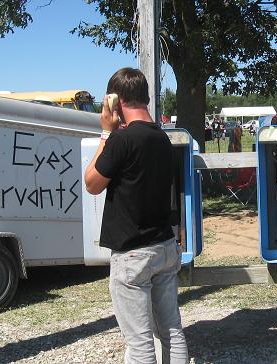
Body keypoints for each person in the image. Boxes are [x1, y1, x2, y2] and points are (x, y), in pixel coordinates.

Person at [84, 67, 188, 364]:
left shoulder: (121, 141)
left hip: (132, 254)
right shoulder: (163, 139)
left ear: (115, 102)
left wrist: (106, 131)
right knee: (171, 331)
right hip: (165, 247)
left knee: (140, 342)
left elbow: (92, 183)